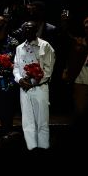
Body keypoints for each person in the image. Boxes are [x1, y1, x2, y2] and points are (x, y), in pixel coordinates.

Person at [13, 21, 55, 149]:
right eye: (25, 29)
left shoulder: (45, 46)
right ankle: (31, 149)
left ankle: (42, 149)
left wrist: (32, 82)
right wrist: (20, 80)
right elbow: (16, 68)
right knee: (27, 123)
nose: (27, 31)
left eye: (30, 29)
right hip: (24, 88)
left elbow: (48, 70)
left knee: (42, 122)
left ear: (36, 30)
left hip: (39, 88)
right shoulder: (19, 48)